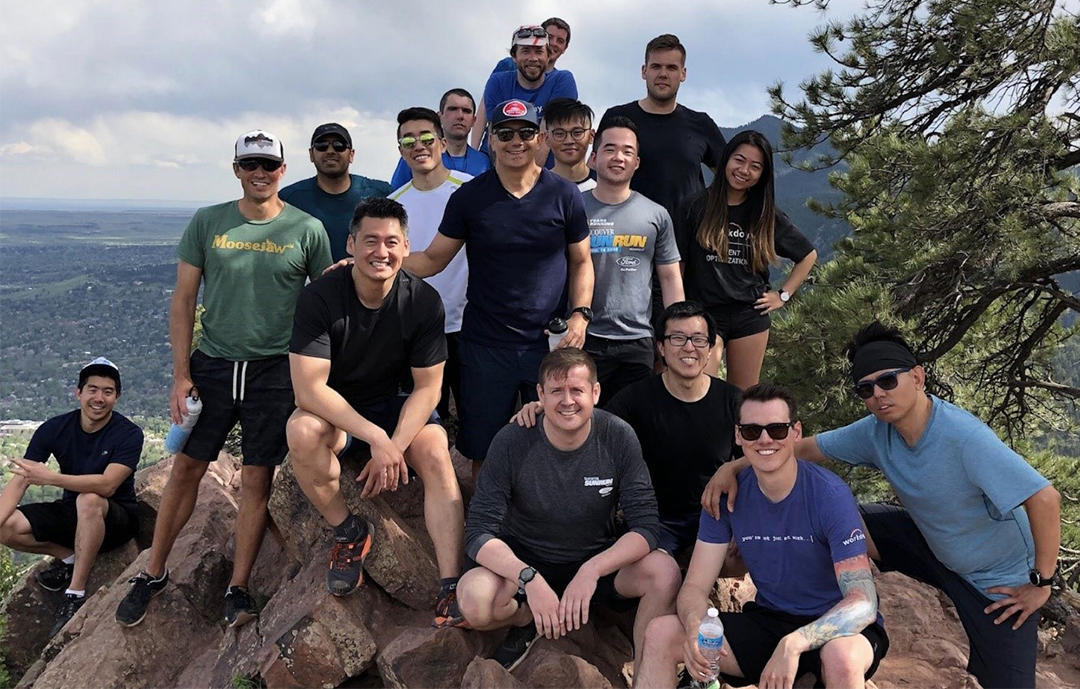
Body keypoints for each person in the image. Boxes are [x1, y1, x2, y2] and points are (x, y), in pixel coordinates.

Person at [705, 322, 1062, 689]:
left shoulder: (963, 437)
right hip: (932, 546)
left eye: (888, 380)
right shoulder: (876, 430)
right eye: (866, 388)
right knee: (850, 519)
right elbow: (796, 447)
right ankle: (836, 606)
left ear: (918, 377)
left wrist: (1042, 582)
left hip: (996, 580)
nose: (878, 394)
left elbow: (1045, 498)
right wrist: (734, 466)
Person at [115, 130, 332, 629]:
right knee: (187, 468)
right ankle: (152, 572)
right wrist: (180, 374)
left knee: (258, 476)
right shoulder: (208, 221)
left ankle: (237, 588)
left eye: (269, 165)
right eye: (250, 164)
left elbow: (325, 302)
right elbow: (183, 299)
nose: (260, 173)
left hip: (276, 368)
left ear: (282, 170)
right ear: (236, 169)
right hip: (213, 362)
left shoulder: (306, 229)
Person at [286, 196, 467, 628]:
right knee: (301, 430)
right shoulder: (320, 297)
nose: (380, 252)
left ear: (406, 247)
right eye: (369, 241)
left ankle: (450, 584)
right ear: (350, 244)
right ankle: (348, 531)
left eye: (391, 242)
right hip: (340, 412)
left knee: (437, 448)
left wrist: (396, 445)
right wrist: (376, 438)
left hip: (398, 404)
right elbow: (308, 388)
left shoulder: (422, 301)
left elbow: (429, 388)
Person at [635, 383, 889, 689]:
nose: (765, 439)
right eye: (753, 431)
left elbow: (863, 603)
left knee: (840, 657)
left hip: (838, 628)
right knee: (661, 633)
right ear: (739, 436)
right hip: (770, 621)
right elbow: (695, 587)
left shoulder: (829, 495)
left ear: (796, 433)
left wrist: (795, 643)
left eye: (777, 429)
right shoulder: (726, 494)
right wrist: (693, 629)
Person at [457, 348, 680, 672]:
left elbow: (645, 527)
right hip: (525, 561)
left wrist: (593, 570)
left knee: (665, 571)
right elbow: (478, 532)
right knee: (474, 601)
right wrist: (528, 578)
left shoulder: (618, 436)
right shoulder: (512, 440)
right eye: (556, 391)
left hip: (594, 560)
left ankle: (647, 673)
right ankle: (529, 618)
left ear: (595, 392)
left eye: (576, 390)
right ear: (540, 395)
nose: (567, 400)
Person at [404, 99, 592, 481]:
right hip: (486, 345)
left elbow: (581, 261)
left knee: (560, 440)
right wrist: (377, 265)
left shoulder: (564, 194)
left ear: (540, 138)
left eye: (525, 133)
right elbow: (433, 259)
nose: (516, 141)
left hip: (550, 344)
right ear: (491, 140)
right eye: (505, 133)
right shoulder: (470, 198)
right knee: (484, 451)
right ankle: (485, 531)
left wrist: (580, 313)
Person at [513, 302, 739, 557]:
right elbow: (589, 424)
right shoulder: (637, 397)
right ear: (661, 347)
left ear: (710, 349)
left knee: (744, 552)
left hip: (714, 517)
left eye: (698, 339)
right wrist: (543, 408)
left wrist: (732, 467)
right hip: (656, 521)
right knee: (659, 571)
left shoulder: (733, 401)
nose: (689, 347)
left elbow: (764, 454)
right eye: (678, 338)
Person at [0, 358, 143, 637]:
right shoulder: (55, 428)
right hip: (73, 511)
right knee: (6, 526)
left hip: (117, 519)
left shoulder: (128, 434)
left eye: (107, 391)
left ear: (117, 396)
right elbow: (21, 479)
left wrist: (51, 477)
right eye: (92, 389)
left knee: (88, 498)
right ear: (78, 393)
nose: (99, 398)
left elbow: (108, 485)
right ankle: (68, 560)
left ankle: (75, 594)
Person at [675, 130, 817, 389]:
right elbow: (679, 264)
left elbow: (807, 255)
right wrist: (678, 310)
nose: (744, 170)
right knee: (699, 389)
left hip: (750, 315)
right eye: (739, 160)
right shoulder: (694, 206)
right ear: (727, 159)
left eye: (755, 166)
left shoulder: (765, 214)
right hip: (704, 314)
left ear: (763, 174)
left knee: (743, 398)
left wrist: (783, 295)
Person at [584, 116, 683, 402]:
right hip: (586, 336)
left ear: (637, 162)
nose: (618, 157)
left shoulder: (656, 214)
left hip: (638, 340)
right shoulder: (573, 207)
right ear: (594, 157)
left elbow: (670, 277)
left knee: (633, 427)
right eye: (610, 149)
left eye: (627, 151)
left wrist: (675, 333)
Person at [388, 107, 473, 420]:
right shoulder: (394, 204)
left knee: (475, 424)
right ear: (400, 152)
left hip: (470, 326)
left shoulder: (472, 190)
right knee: (421, 425)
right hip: (417, 331)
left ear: (443, 143)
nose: (418, 146)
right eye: (408, 141)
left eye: (426, 137)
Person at [598, 34, 725, 220]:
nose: (663, 74)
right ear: (644, 71)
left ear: (683, 74)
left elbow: (731, 174)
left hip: (687, 237)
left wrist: (709, 206)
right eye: (656, 66)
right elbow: (596, 170)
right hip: (627, 233)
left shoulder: (701, 124)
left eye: (672, 67)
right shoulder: (617, 118)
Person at [280, 123, 392, 261]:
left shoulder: (381, 193)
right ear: (311, 154)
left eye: (339, 145)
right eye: (322, 145)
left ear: (351, 154)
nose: (330, 151)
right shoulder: (289, 198)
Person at [471, 26, 578, 158]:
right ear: (514, 56)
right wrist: (473, 157)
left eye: (539, 51)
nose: (533, 58)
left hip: (541, 172)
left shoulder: (562, 81)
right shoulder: (498, 80)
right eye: (525, 51)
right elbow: (495, 134)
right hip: (497, 166)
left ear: (548, 55)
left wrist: (527, 177)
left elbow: (545, 137)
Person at [389, 89, 490, 189]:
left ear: (474, 120)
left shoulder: (484, 162)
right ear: (440, 116)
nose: (460, 116)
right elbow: (396, 196)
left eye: (466, 111)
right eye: (453, 109)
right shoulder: (419, 157)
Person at [544, 98, 596, 192]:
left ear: (591, 136)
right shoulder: (533, 188)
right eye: (559, 134)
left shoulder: (605, 184)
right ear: (546, 138)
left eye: (577, 132)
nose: (569, 141)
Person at [491, 17, 571, 75]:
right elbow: (487, 98)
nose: (553, 43)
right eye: (549, 37)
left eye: (560, 41)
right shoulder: (509, 65)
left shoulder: (560, 81)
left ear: (565, 48)